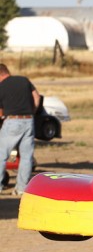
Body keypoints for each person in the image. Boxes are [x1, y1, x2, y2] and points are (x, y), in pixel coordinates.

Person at [0, 63, 41, 196]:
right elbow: (37, 97)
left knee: (1, 155)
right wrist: (32, 112)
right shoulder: (24, 80)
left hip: (12, 121)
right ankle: (21, 188)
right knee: (26, 157)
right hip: (29, 120)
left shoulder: (1, 86)